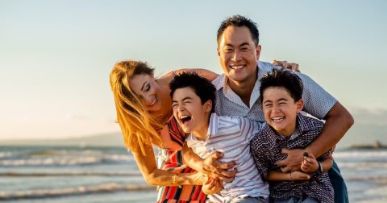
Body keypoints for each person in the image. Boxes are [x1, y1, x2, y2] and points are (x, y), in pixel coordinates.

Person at [212, 15, 354, 203]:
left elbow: (342, 117)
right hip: (257, 185)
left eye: (244, 48)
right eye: (228, 49)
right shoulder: (211, 96)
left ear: (258, 51)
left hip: (313, 178)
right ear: (219, 54)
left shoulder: (286, 79)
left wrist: (307, 153)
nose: (236, 57)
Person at [170, 72, 268, 203]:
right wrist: (207, 189)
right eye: (175, 104)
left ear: (207, 106)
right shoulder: (191, 144)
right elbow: (208, 179)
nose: (180, 108)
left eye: (187, 102)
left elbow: (270, 131)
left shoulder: (235, 126)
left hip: (250, 194)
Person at [251, 69, 334, 203]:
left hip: (316, 192)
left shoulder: (316, 129)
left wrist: (317, 166)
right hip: (281, 195)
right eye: (268, 104)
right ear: (262, 108)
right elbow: (265, 174)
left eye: (282, 102)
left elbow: (329, 161)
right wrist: (289, 176)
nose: (275, 111)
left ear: (298, 105)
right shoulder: (260, 143)